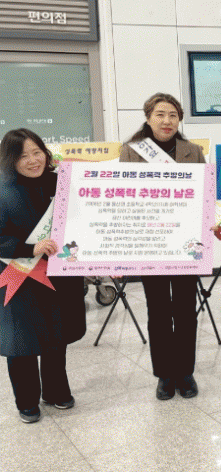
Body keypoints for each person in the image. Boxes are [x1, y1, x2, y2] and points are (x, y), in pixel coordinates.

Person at [120, 93, 206, 400]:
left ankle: (185, 372)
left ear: (179, 119)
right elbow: (123, 195)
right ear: (148, 118)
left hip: (185, 242)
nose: (167, 121)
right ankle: (164, 374)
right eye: (160, 114)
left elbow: (204, 194)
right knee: (157, 311)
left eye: (173, 115)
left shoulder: (193, 151)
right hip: (151, 241)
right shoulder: (131, 151)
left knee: (185, 310)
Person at [0, 129, 86, 423]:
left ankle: (55, 391)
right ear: (11, 159)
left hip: (59, 273)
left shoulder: (60, 182)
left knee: (55, 334)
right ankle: (26, 401)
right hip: (19, 274)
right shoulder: (2, 189)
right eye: (23, 155)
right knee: (22, 341)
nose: (33, 160)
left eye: (37, 152)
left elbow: (83, 220)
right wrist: (29, 248)